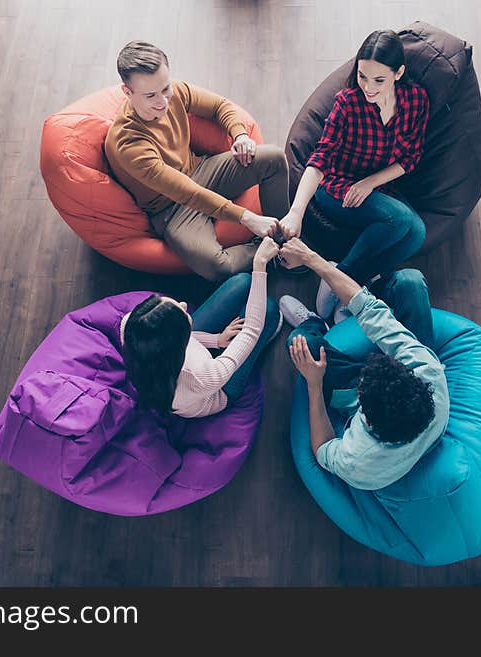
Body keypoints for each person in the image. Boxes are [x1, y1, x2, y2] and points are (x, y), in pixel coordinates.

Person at [105, 40, 289, 281]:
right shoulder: (128, 144)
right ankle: (272, 252)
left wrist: (240, 134)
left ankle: (285, 241)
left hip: (202, 171)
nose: (163, 102)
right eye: (150, 95)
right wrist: (247, 217)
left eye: (165, 89)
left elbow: (221, 106)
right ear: (127, 93)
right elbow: (186, 193)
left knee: (273, 157)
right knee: (217, 267)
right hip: (171, 208)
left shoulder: (175, 93)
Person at [278, 29, 430, 320]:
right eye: (362, 76)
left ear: (399, 73)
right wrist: (296, 213)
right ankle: (344, 283)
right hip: (336, 186)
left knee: (417, 232)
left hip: (375, 188)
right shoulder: (347, 103)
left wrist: (370, 182)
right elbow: (319, 158)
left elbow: (411, 158)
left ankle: (344, 281)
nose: (368, 87)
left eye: (379, 80)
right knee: (399, 220)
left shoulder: (415, 101)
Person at [277, 237, 449, 490]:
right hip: (403, 404)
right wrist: (312, 259)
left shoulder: (358, 462)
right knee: (409, 282)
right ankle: (346, 311)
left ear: (365, 419)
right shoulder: (427, 372)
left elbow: (323, 449)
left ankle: (317, 324)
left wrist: (314, 385)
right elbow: (370, 310)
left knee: (299, 342)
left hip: (378, 425)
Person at [122, 237, 282, 418]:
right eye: (180, 310)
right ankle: (269, 331)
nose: (183, 304)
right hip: (217, 391)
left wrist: (216, 340)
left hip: (185, 362)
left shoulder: (131, 328)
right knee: (268, 310)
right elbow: (251, 331)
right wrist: (259, 264)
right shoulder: (202, 377)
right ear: (178, 339)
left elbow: (179, 342)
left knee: (243, 282)